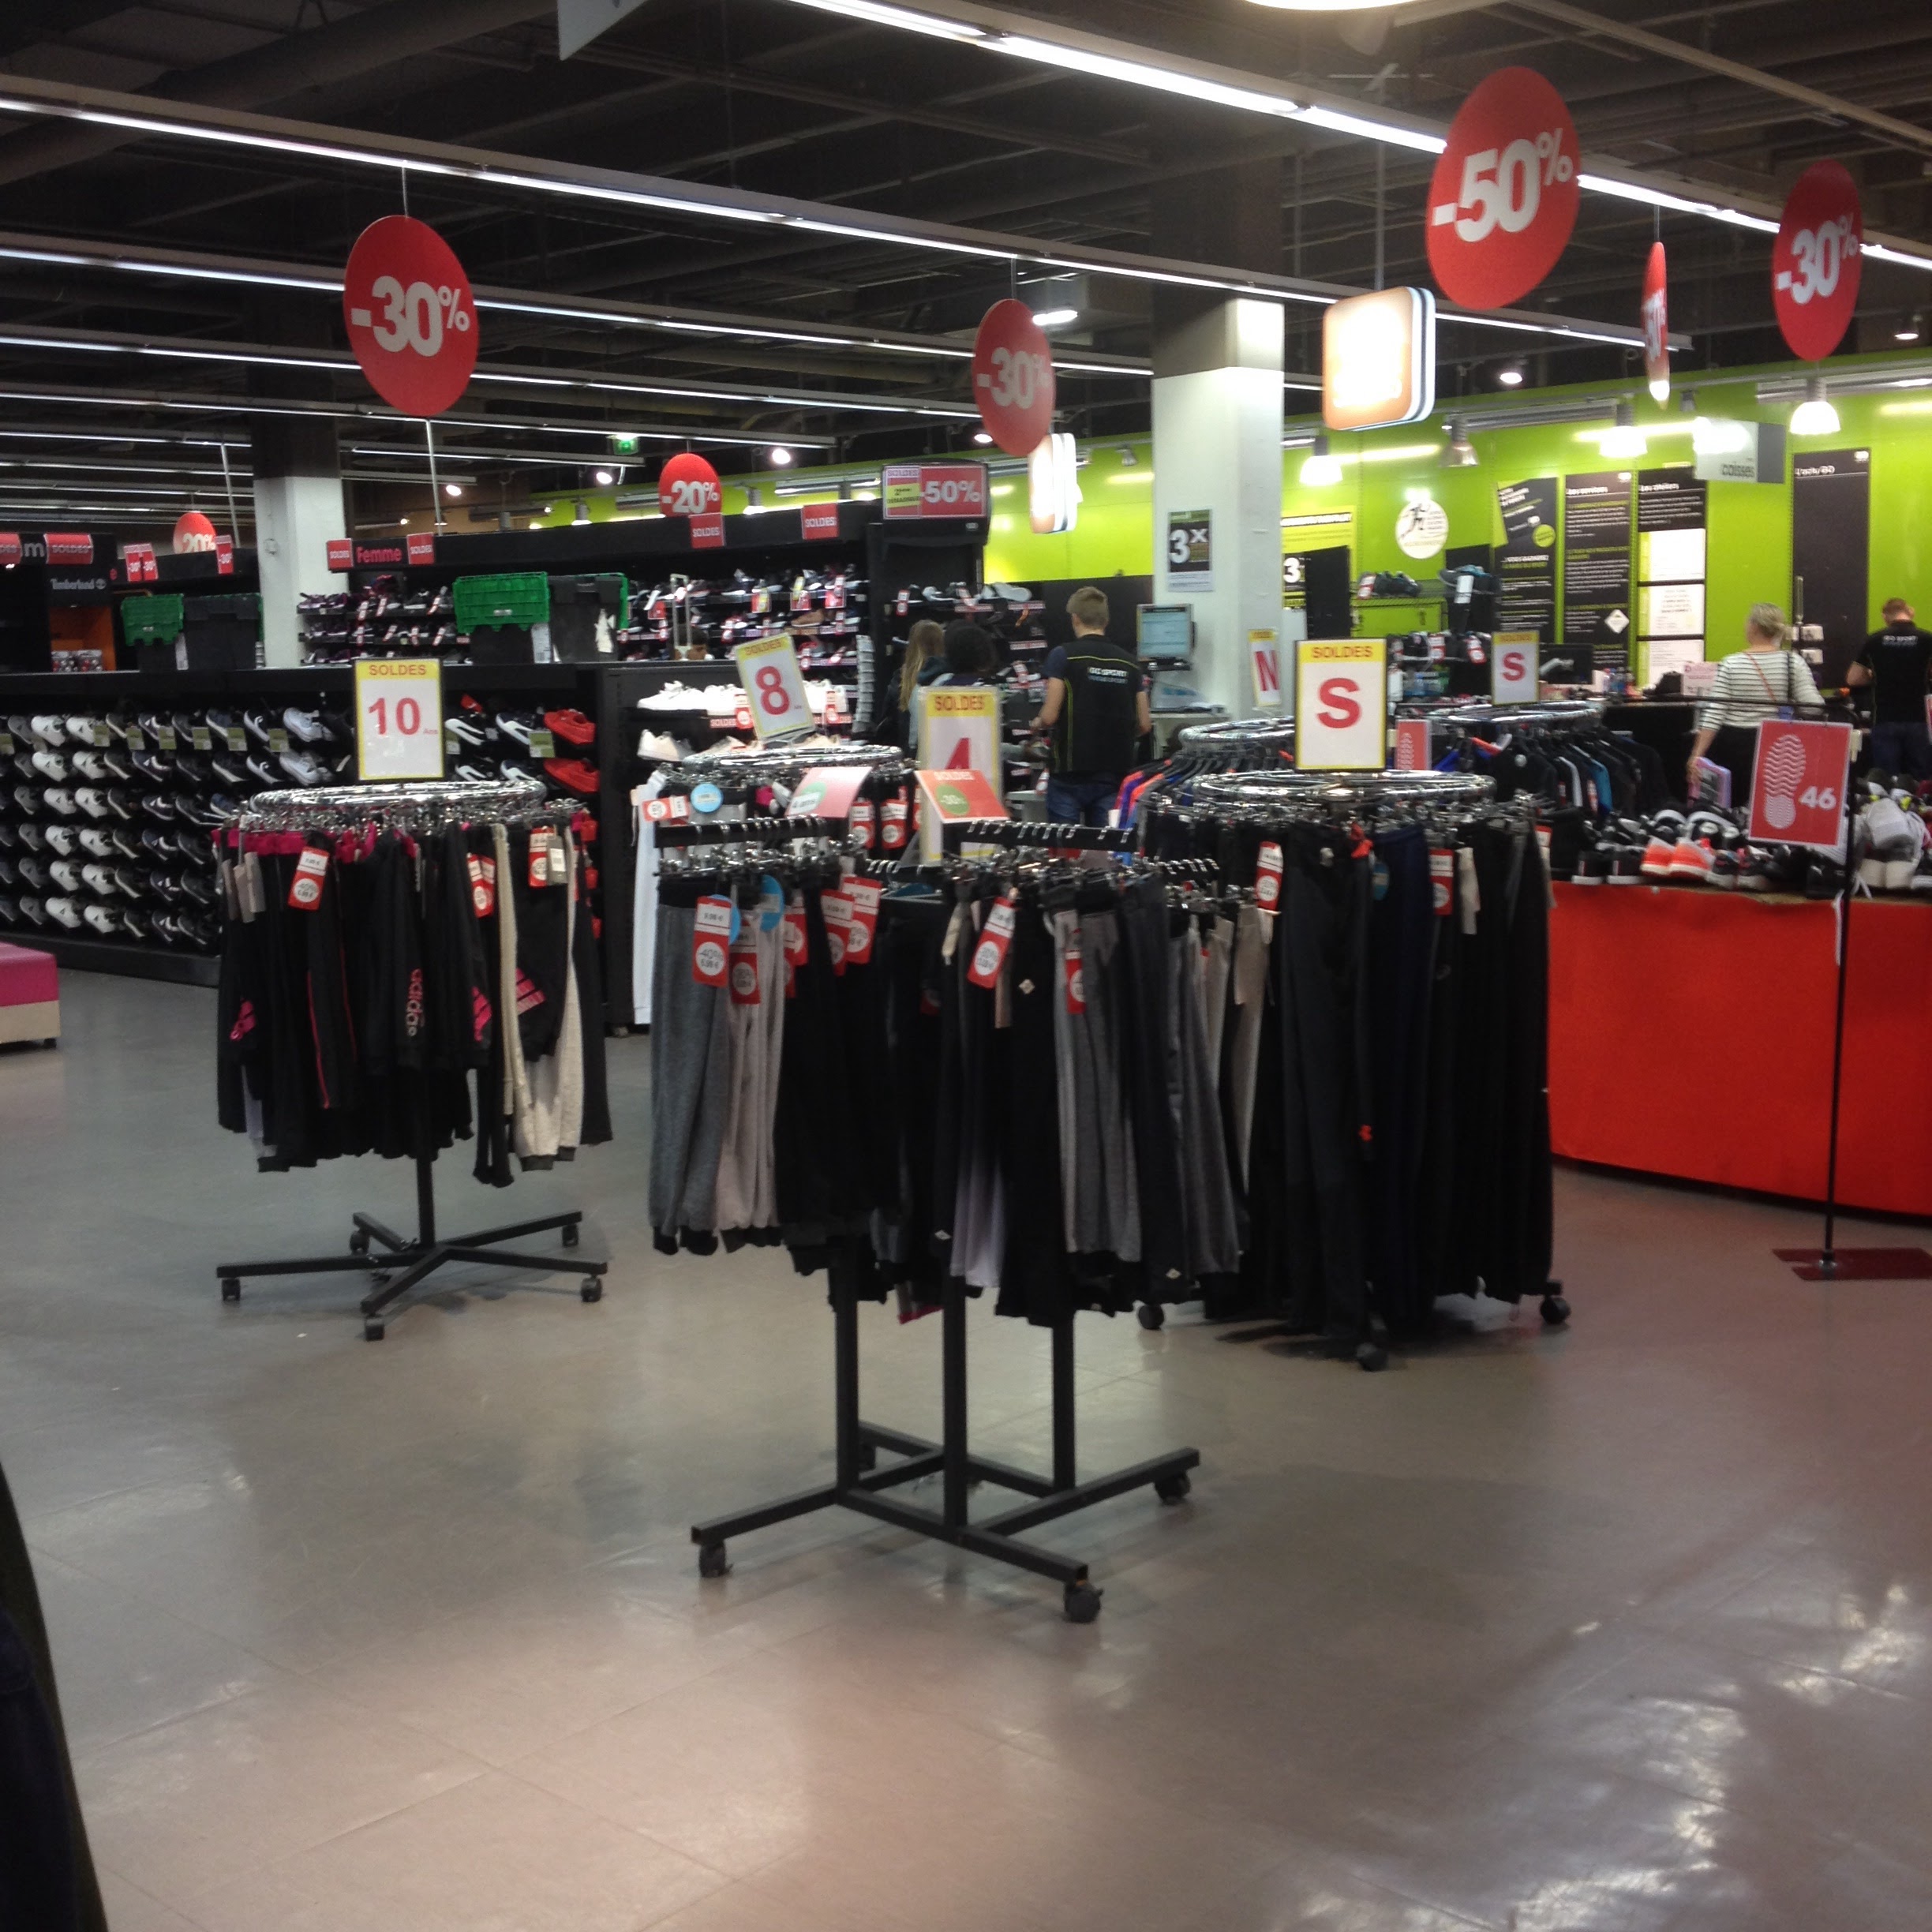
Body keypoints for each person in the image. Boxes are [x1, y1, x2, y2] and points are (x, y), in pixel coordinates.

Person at [1033, 585, 1151, 826]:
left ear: (1075, 618)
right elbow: (1145, 724)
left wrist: (1036, 723)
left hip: (1069, 773)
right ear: (1106, 621)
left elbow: (1050, 716)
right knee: (1106, 844)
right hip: (1114, 773)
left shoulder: (1064, 656)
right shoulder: (1130, 664)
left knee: (1066, 845)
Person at [1688, 602, 1824, 806]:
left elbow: (1715, 713)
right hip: (1777, 746)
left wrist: (1696, 756)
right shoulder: (1793, 662)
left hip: (1733, 745)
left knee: (1731, 804)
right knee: (1769, 805)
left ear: (1753, 627)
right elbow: (1813, 707)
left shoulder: (1731, 663)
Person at [1848, 597, 1932, 779]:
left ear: (1885, 617)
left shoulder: (1874, 640)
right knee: (1922, 780)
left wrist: (1873, 676)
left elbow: (1853, 679)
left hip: (1885, 719)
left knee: (1886, 779)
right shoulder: (1927, 639)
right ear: (1910, 611)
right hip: (1920, 720)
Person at [874, 617, 942, 751]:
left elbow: (888, 719)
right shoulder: (947, 678)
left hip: (908, 752)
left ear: (911, 646)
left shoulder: (901, 679)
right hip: (942, 749)